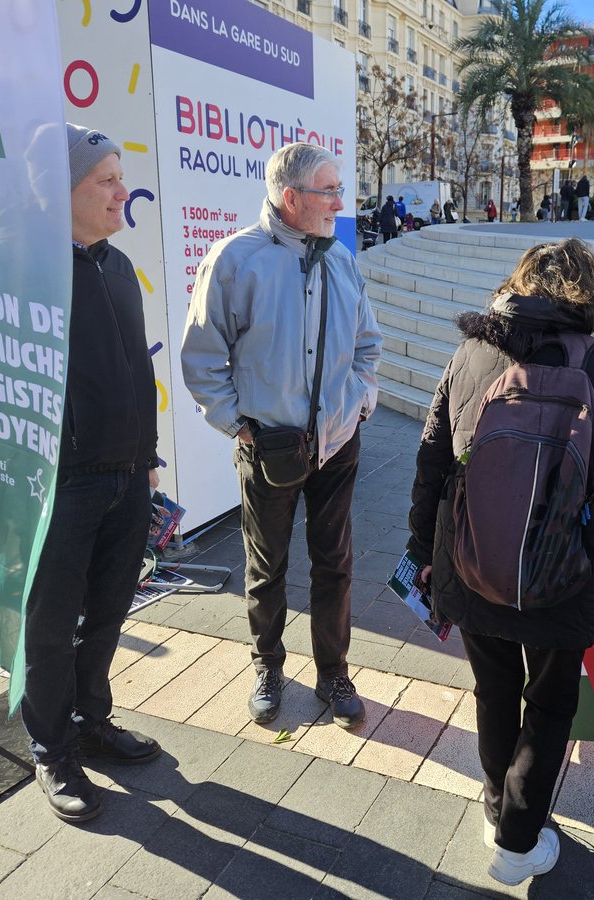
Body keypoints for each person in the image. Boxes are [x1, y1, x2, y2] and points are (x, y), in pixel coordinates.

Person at [408, 238, 594, 886]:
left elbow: (432, 455)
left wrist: (422, 549)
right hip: (562, 566)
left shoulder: (472, 349)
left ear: (517, 283)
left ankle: (499, 806)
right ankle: (518, 842)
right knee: (550, 703)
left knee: (493, 689)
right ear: (590, 293)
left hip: (472, 557)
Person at [181, 143, 382, 730]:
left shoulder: (341, 260)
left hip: (338, 443)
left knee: (335, 563)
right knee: (266, 565)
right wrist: (236, 424)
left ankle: (333, 670)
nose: (341, 202)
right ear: (290, 197)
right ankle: (267, 664)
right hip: (267, 446)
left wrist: (362, 400)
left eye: (340, 189)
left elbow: (367, 344)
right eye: (329, 191)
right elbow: (202, 356)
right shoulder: (234, 260)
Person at [23, 124, 161, 824]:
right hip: (61, 484)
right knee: (49, 626)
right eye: (106, 179)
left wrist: (150, 459)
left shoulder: (116, 265)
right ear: (62, 189)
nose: (121, 190)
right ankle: (51, 750)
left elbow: (137, 370)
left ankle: (90, 720)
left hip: (127, 476)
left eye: (119, 174)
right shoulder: (22, 272)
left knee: (107, 612)